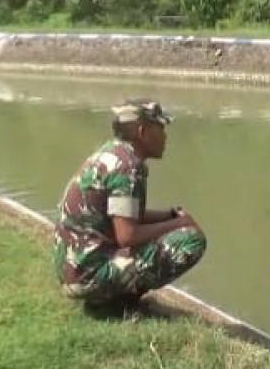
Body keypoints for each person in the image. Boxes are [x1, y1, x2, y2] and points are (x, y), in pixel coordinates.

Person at [52, 98, 207, 317]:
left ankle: (111, 299)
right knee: (191, 240)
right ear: (143, 132)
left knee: (170, 232)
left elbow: (120, 216)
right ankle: (117, 304)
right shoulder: (128, 167)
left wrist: (167, 216)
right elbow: (127, 235)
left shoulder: (111, 154)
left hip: (74, 269)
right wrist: (180, 223)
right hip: (88, 276)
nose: (165, 136)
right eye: (160, 129)